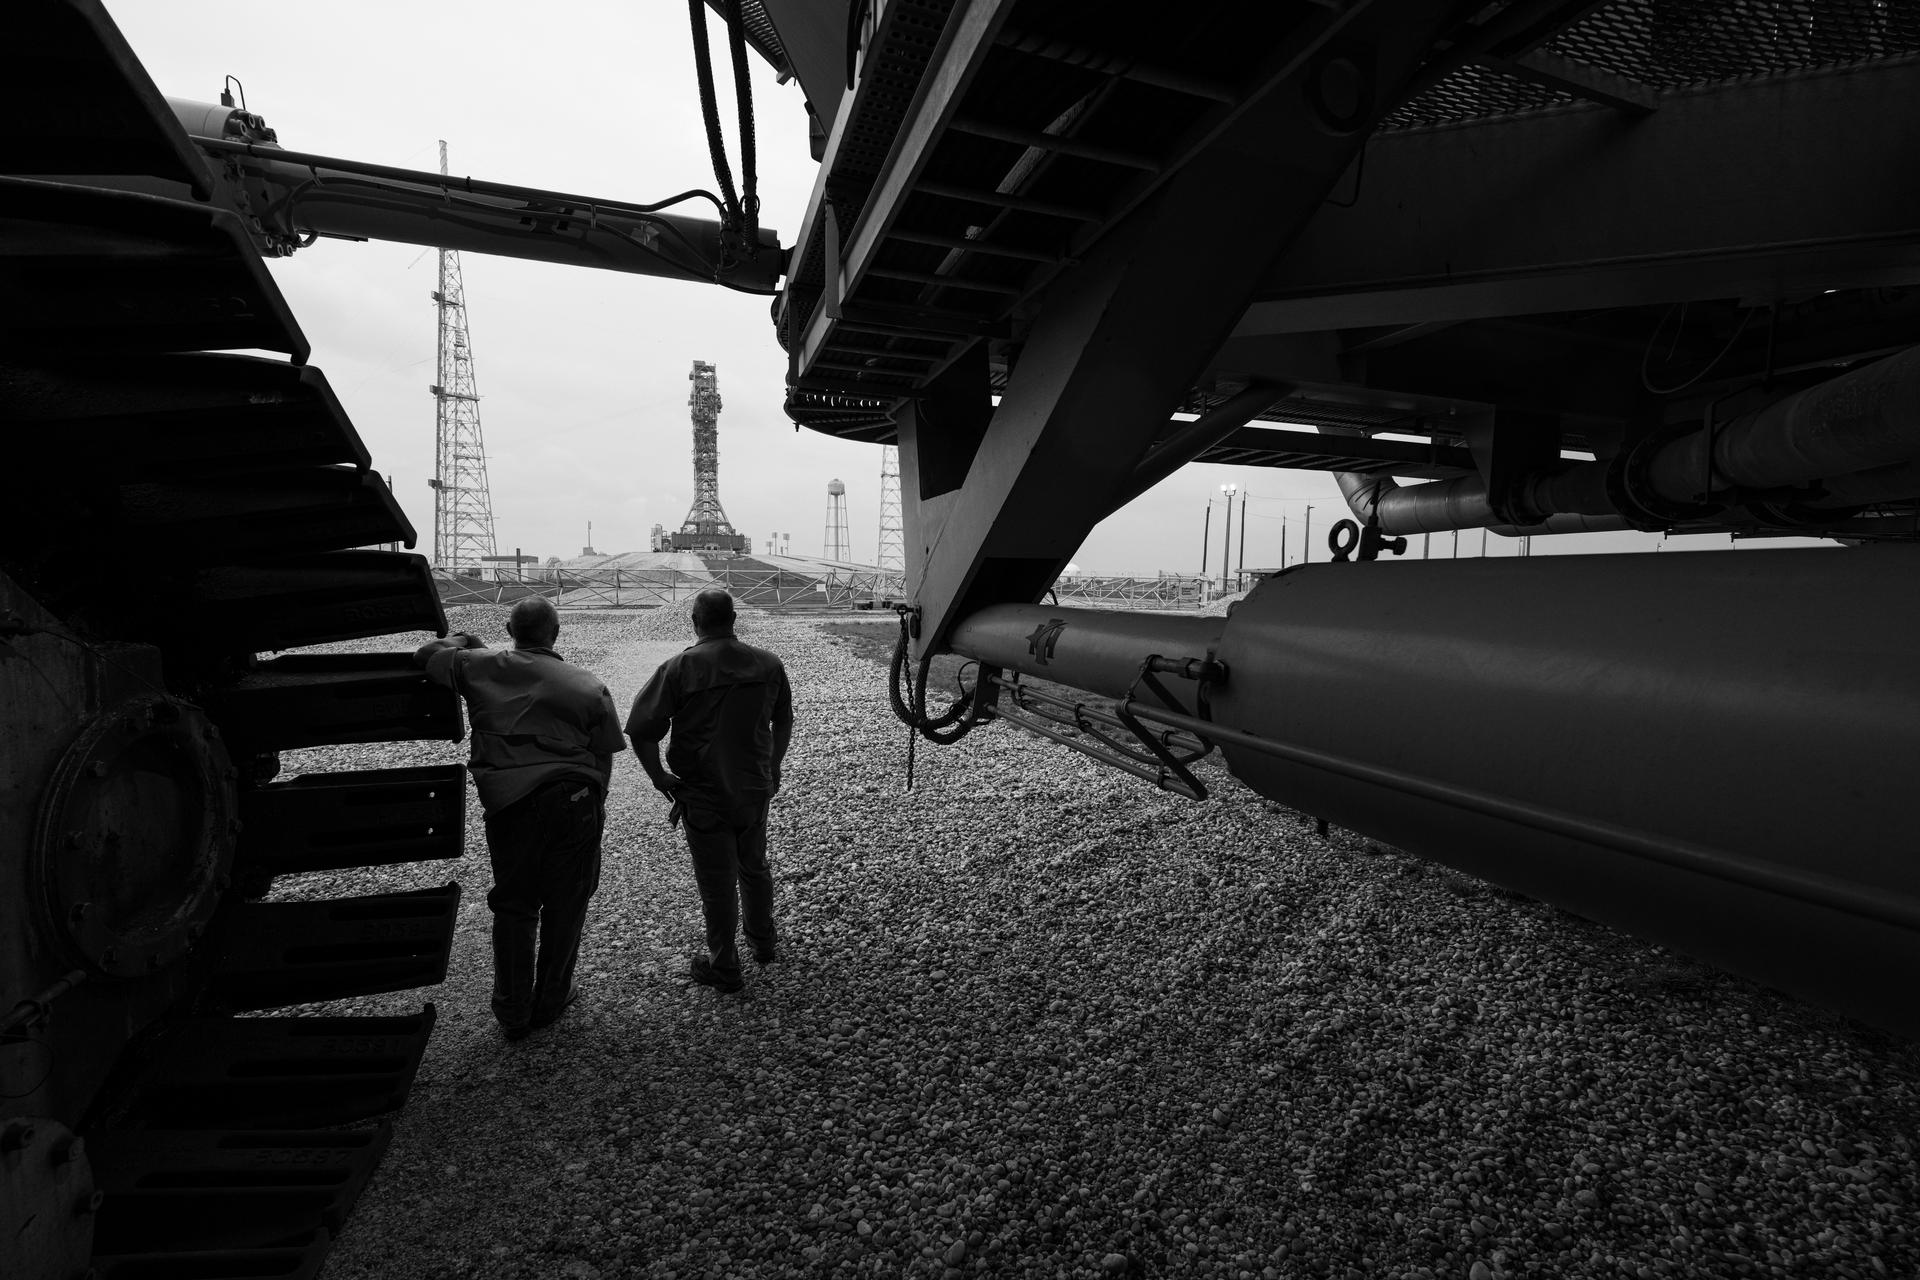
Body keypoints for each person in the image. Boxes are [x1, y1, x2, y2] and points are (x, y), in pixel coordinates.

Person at [414, 597, 625, 1040]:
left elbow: (424, 655)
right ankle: (551, 1000)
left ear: (510, 628)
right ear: (557, 632)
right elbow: (604, 750)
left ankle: (512, 1009)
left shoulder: (479, 666)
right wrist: (597, 803)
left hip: (509, 803)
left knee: (515, 905)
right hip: (574, 797)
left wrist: (466, 641)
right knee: (568, 902)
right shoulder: (586, 683)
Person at [626, 589, 792, 994]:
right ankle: (764, 942)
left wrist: (658, 776)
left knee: (716, 882)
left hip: (703, 794)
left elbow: (641, 730)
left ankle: (725, 965)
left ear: (695, 622)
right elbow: (783, 721)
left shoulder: (679, 668)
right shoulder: (769, 664)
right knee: (754, 866)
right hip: (754, 788)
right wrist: (773, 765)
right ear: (733, 619)